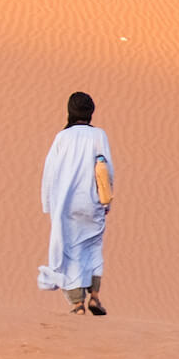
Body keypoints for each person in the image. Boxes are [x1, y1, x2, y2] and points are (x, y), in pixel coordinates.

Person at [38, 91, 113, 315]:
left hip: (66, 204)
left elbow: (50, 173)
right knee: (93, 247)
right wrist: (107, 200)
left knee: (70, 250)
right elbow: (107, 169)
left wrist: (48, 203)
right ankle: (95, 297)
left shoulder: (62, 138)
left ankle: (77, 303)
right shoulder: (99, 135)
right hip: (93, 202)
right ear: (91, 112)